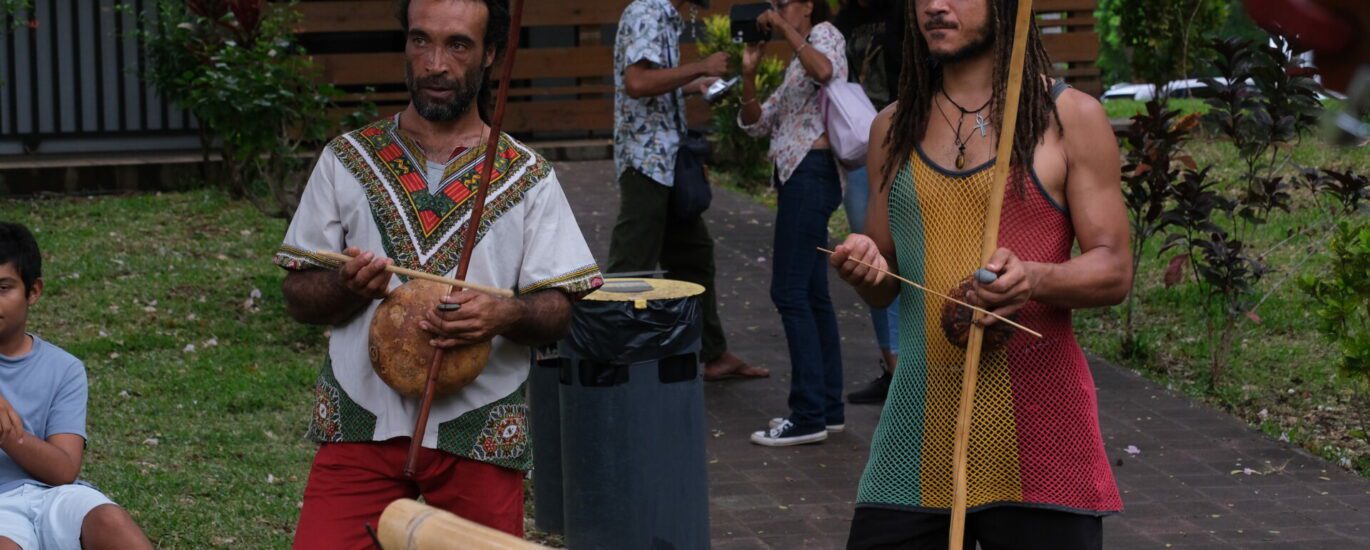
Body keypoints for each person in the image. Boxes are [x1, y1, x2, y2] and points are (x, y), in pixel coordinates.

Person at [275, 0, 601, 545]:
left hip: (478, 428)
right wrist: (344, 287)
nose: (434, 63)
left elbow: (559, 311)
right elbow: (297, 294)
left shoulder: (529, 176)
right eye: (420, 40)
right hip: (361, 424)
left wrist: (506, 313)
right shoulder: (346, 159)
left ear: (491, 53)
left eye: (457, 45)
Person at [829, 0, 1131, 547]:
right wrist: (864, 269)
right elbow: (885, 285)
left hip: (1044, 442)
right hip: (915, 439)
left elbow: (1113, 269)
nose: (935, 6)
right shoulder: (891, 129)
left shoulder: (1069, 118)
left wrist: (1034, 278)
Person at [610, 0, 767, 381]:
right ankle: (609, 356)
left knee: (694, 257)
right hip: (647, 162)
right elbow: (636, 83)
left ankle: (713, 354)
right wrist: (700, 66)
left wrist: (692, 85)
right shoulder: (646, 12)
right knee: (632, 265)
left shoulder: (664, 17)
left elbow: (653, 84)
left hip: (669, 162)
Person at [0, 222, 153, 550]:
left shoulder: (64, 368)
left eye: (3, 287)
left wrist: (9, 433)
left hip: (53, 495)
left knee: (110, 522)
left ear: (33, 291)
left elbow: (64, 469)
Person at [737, 0, 848, 447]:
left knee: (788, 292)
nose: (774, 11)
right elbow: (757, 124)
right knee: (813, 294)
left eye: (783, 4)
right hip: (796, 178)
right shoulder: (794, 61)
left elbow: (824, 72)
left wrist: (783, 26)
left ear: (805, 4)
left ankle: (807, 415)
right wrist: (748, 74)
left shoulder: (825, 35)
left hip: (811, 175)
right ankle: (828, 408)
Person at [833, 0, 901, 405]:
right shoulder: (843, 22)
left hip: (902, 136)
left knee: (897, 254)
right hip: (861, 145)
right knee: (871, 258)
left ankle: (902, 368)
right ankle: (890, 366)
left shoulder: (902, 12)